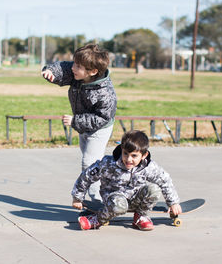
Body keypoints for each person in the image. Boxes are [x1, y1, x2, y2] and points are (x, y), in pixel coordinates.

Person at [42, 44, 117, 201]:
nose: (73, 69)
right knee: (90, 158)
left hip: (100, 129)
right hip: (84, 127)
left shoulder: (105, 93)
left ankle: (98, 199)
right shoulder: (79, 74)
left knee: (89, 162)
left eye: (78, 66)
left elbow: (102, 117)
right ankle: (111, 180)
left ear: (93, 71)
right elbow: (63, 68)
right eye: (74, 63)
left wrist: (76, 120)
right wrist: (51, 71)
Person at [71, 130, 182, 231]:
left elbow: (165, 180)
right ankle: (97, 219)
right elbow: (87, 176)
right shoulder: (109, 164)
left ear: (144, 155)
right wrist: (77, 197)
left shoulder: (149, 167)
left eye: (134, 156)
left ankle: (141, 216)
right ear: (121, 149)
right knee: (120, 204)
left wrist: (173, 202)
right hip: (114, 200)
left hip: (136, 200)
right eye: (125, 154)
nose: (128, 159)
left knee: (154, 189)